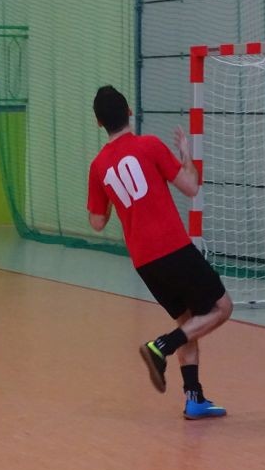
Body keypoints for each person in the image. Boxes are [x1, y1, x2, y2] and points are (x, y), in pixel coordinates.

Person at [87, 86, 233, 419]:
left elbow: (97, 222)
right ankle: (161, 346)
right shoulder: (149, 145)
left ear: (98, 122)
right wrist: (185, 155)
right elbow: (191, 187)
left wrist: (108, 199)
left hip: (144, 262)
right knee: (222, 308)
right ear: (129, 112)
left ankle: (194, 398)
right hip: (173, 247)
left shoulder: (98, 167)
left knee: (189, 321)